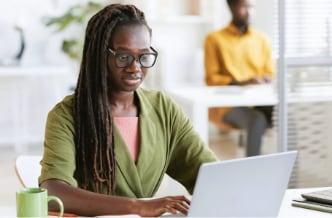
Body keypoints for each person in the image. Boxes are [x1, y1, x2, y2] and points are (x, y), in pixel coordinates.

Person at [39, 4, 217, 217]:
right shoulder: (66, 116)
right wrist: (139, 206)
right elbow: (53, 191)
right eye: (123, 57)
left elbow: (209, 176)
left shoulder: (163, 108)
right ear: (99, 55)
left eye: (144, 56)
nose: (136, 67)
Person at [204, 0, 275, 156]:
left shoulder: (262, 39)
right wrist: (243, 82)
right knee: (256, 121)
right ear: (231, 7)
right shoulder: (214, 39)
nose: (249, 11)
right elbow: (212, 78)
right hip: (227, 105)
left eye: (252, 7)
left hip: (259, 100)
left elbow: (270, 72)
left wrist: (265, 79)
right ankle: (251, 175)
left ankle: (289, 174)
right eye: (244, 6)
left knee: (288, 118)